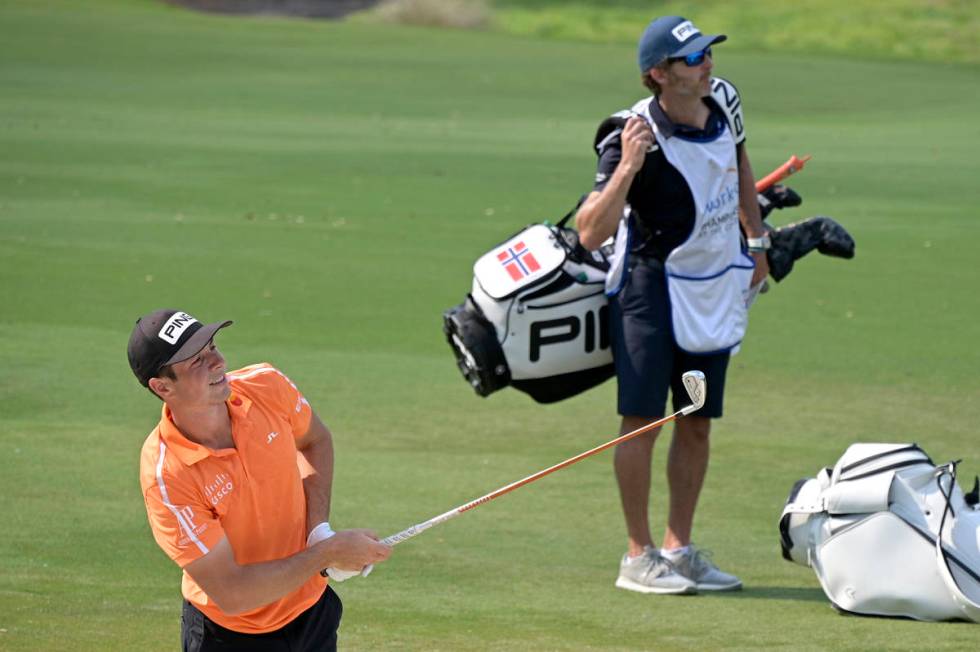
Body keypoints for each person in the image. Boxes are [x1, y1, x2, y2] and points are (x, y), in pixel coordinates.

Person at [576, 16, 770, 595]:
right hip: (650, 297)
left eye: (707, 54)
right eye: (693, 59)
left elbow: (739, 165)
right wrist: (629, 168)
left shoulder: (723, 101)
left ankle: (678, 549)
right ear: (658, 75)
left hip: (708, 296)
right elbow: (590, 231)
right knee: (641, 425)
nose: (707, 64)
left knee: (695, 420)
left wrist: (756, 240)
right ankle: (638, 557)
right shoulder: (630, 135)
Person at [129, 308, 390, 650]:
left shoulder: (266, 385)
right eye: (196, 361)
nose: (217, 362)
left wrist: (318, 531)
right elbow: (233, 593)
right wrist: (327, 553)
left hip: (312, 614)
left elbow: (315, 440)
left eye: (212, 346)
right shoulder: (166, 474)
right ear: (163, 386)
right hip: (231, 636)